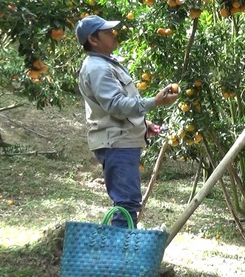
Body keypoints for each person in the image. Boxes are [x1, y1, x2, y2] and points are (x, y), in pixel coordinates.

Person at [76, 15, 179, 228]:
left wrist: (143, 123)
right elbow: (115, 105)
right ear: (93, 40)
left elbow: (116, 106)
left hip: (122, 140)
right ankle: (117, 258)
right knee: (126, 204)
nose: (113, 34)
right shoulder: (98, 68)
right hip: (116, 142)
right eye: (107, 32)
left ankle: (119, 255)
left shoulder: (106, 64)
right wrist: (154, 102)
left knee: (128, 203)